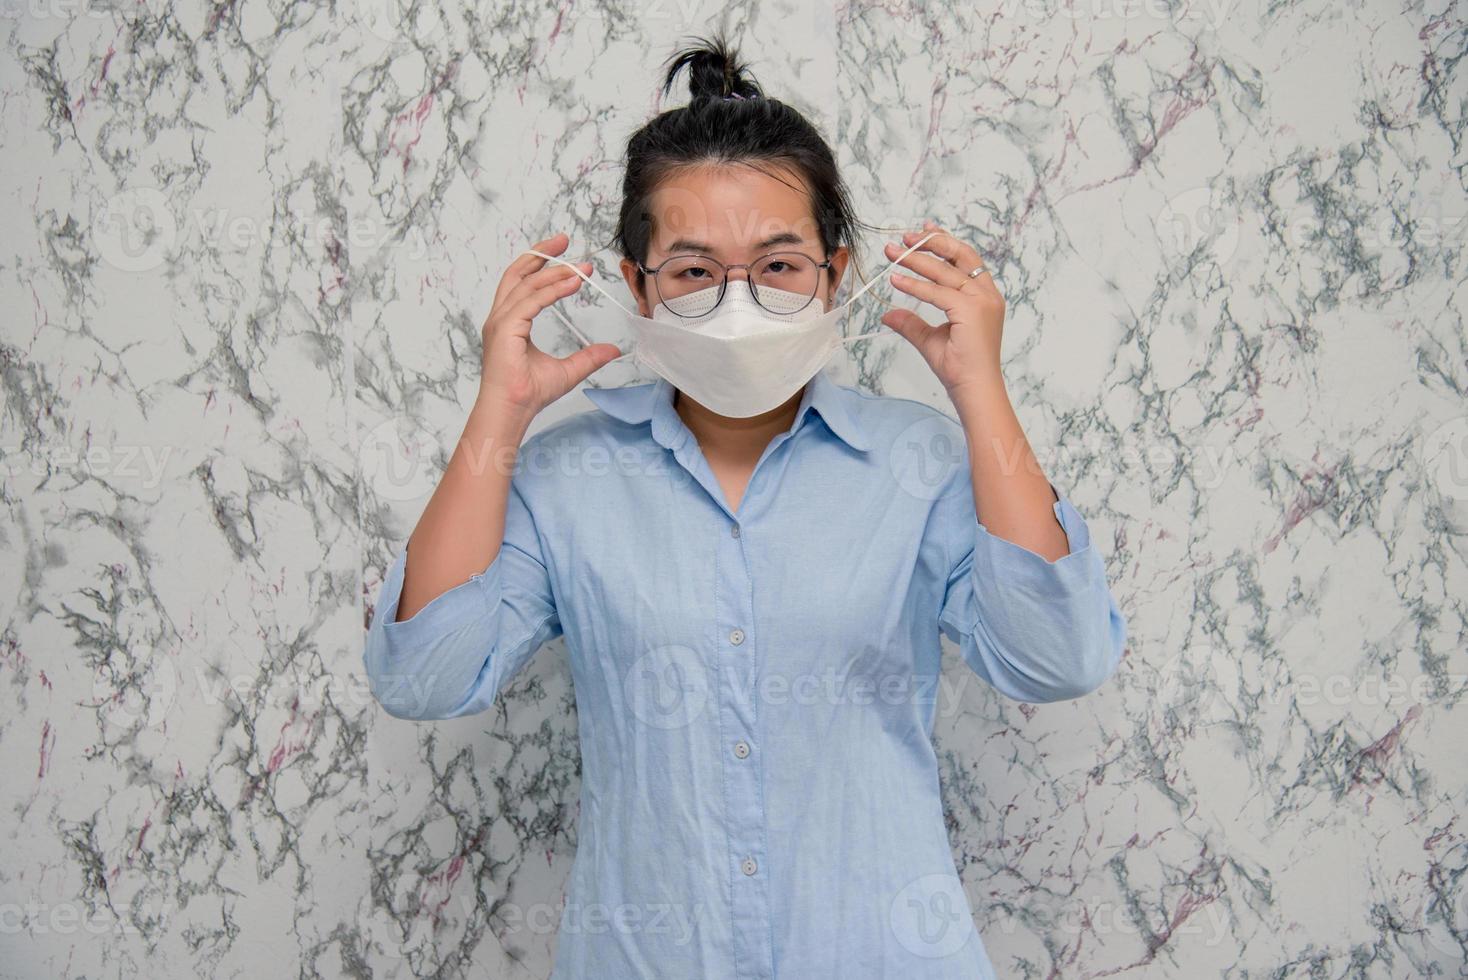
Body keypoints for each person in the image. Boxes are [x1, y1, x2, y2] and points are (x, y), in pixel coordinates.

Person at [363, 32, 1127, 980]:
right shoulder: (568, 480)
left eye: (778, 266)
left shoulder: (920, 464)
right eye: (691, 272)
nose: (738, 304)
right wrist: (500, 412)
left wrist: (981, 392)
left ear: (834, 277)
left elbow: (1058, 659)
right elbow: (425, 679)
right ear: (637, 284)